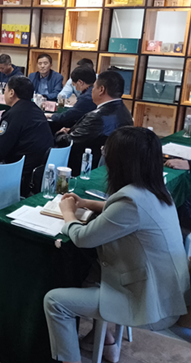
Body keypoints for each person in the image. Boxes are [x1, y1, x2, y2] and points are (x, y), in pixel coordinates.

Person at [44, 127, 190, 363]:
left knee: (55, 301)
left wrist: (68, 213)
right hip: (165, 290)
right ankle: (105, 340)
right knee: (92, 270)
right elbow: (123, 212)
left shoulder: (130, 200)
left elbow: (82, 238)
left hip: (150, 301)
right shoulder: (156, 190)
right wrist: (89, 203)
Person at [55, 70, 133, 176]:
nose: (92, 90)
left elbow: (71, 142)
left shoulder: (97, 117)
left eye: (94, 87)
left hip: (86, 170)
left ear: (101, 90)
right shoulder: (125, 112)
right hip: (113, 169)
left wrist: (60, 134)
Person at [0, 75, 53, 196]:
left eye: (5, 90)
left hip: (21, 171)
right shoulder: (36, 110)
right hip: (39, 168)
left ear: (11, 93)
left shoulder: (13, 114)